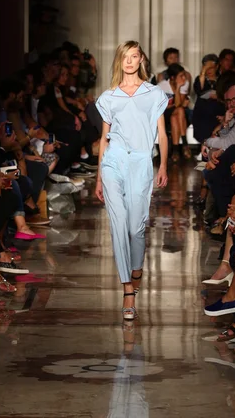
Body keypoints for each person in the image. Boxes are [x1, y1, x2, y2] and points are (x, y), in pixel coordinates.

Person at [95, 41, 169, 320]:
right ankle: (128, 288)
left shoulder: (154, 94)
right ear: (119, 60)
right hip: (113, 162)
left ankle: (136, 267)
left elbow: (162, 133)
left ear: (141, 60)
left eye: (134, 56)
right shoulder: (108, 97)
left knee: (136, 228)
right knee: (117, 225)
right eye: (125, 57)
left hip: (140, 162)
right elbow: (104, 138)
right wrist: (99, 177)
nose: (129, 61)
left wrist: (162, 164)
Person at [158, 63, 192, 161]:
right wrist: (175, 103)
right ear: (172, 78)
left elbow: (177, 105)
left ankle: (176, 151)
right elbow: (174, 105)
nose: (184, 78)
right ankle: (185, 145)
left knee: (177, 115)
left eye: (184, 75)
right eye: (181, 76)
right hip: (165, 114)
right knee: (179, 110)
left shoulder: (184, 84)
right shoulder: (162, 86)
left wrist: (177, 88)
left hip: (178, 116)